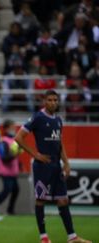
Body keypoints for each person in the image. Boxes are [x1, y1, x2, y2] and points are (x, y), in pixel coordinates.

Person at [14, 90, 91, 243]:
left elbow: (59, 143)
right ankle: (43, 237)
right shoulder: (38, 118)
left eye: (55, 100)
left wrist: (66, 163)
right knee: (41, 200)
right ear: (44, 101)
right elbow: (18, 137)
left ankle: (72, 237)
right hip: (42, 167)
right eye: (50, 100)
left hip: (57, 166)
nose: (53, 102)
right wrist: (35, 154)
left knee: (63, 201)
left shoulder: (58, 120)